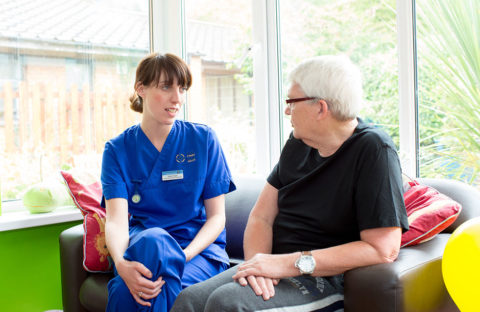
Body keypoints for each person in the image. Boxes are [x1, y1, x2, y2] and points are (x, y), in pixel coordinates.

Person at [171, 55, 409, 312]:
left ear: (321, 108)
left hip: (322, 278)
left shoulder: (374, 149)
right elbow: (261, 217)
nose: (287, 110)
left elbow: (382, 249)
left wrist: (288, 264)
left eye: (292, 102)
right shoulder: (298, 143)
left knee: (227, 303)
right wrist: (258, 267)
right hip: (274, 268)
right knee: (188, 299)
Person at [101, 53, 236, 312]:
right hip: (144, 248)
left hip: (197, 253)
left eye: (182, 88)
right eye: (166, 87)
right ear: (141, 88)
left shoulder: (204, 139)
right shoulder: (117, 150)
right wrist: (121, 264)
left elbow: (217, 218)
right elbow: (116, 221)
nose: (177, 98)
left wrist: (180, 257)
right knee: (154, 239)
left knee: (124, 291)